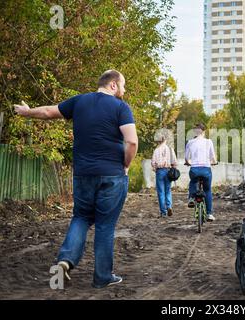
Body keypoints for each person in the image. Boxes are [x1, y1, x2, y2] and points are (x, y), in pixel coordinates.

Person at [14, 70, 138, 289]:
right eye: (123, 85)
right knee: (105, 225)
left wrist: (26, 112)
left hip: (83, 174)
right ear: (113, 85)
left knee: (80, 217)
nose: (124, 90)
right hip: (112, 175)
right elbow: (132, 142)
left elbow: (47, 111)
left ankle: (64, 261)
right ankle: (102, 277)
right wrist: (125, 165)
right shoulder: (121, 108)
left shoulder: (79, 102)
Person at [185, 123, 217, 222]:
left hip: (194, 168)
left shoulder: (190, 142)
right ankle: (209, 214)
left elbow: (187, 158)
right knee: (207, 190)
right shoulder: (209, 142)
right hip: (206, 169)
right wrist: (214, 162)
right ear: (204, 131)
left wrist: (187, 163)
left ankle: (191, 198)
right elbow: (213, 158)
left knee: (193, 182)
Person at [151, 133, 177, 218]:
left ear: (159, 141)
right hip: (168, 171)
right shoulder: (170, 149)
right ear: (165, 140)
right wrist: (172, 168)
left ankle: (163, 212)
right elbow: (174, 162)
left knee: (161, 192)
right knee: (168, 190)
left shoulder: (156, 150)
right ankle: (169, 206)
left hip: (160, 171)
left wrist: (155, 169)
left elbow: (153, 163)